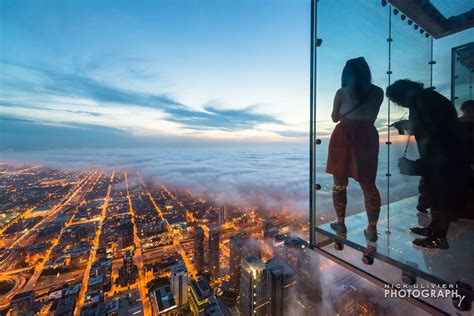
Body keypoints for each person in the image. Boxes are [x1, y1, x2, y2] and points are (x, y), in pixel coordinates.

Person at [387, 79, 468, 249]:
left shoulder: (425, 100)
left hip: (444, 154)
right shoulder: (425, 98)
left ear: (403, 93)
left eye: (397, 100)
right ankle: (434, 230)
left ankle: (439, 238)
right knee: (437, 193)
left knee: (441, 194)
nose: (399, 104)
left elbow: (431, 127)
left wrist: (407, 125)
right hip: (443, 153)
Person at [326, 57, 384, 242]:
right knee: (369, 184)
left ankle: (340, 223)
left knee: (339, 184)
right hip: (367, 136)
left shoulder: (342, 92)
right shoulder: (378, 92)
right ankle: (372, 228)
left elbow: (335, 118)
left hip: (343, 136)